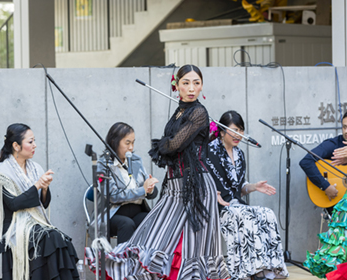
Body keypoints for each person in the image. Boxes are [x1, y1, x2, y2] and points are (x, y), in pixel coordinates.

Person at [85, 64, 230, 279]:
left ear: (201, 87)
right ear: (176, 86)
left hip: (196, 186)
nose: (191, 88)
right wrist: (167, 144)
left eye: (196, 83)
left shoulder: (199, 112)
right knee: (156, 235)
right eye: (185, 83)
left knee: (190, 245)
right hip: (174, 186)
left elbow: (173, 146)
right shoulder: (179, 111)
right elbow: (171, 146)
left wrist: (166, 144)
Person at [0, 123, 79, 280]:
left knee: (59, 237)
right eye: (30, 142)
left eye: (34, 141)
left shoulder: (35, 168)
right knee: (50, 237)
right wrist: (37, 185)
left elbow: (43, 203)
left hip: (34, 224)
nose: (35, 145)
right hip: (13, 227)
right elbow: (14, 204)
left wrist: (44, 188)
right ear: (16, 146)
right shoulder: (1, 173)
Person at [206, 110, 288, 280]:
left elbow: (239, 187)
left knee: (267, 214)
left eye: (241, 130)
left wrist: (254, 187)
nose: (239, 135)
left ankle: (270, 268)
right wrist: (212, 194)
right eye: (235, 130)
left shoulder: (240, 154)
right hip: (218, 205)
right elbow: (201, 181)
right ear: (222, 131)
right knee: (247, 217)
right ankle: (251, 270)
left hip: (236, 204)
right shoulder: (209, 151)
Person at [97, 122, 159, 244]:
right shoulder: (103, 165)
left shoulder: (136, 160)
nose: (131, 147)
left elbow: (148, 189)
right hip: (113, 214)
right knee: (126, 224)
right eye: (127, 143)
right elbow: (113, 196)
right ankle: (124, 262)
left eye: (133, 142)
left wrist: (150, 189)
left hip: (137, 211)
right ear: (115, 142)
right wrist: (142, 190)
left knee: (153, 219)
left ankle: (145, 260)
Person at [299, 112, 347, 206]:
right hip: (338, 205)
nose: (346, 131)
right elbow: (306, 161)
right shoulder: (333, 144)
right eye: (344, 127)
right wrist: (325, 186)